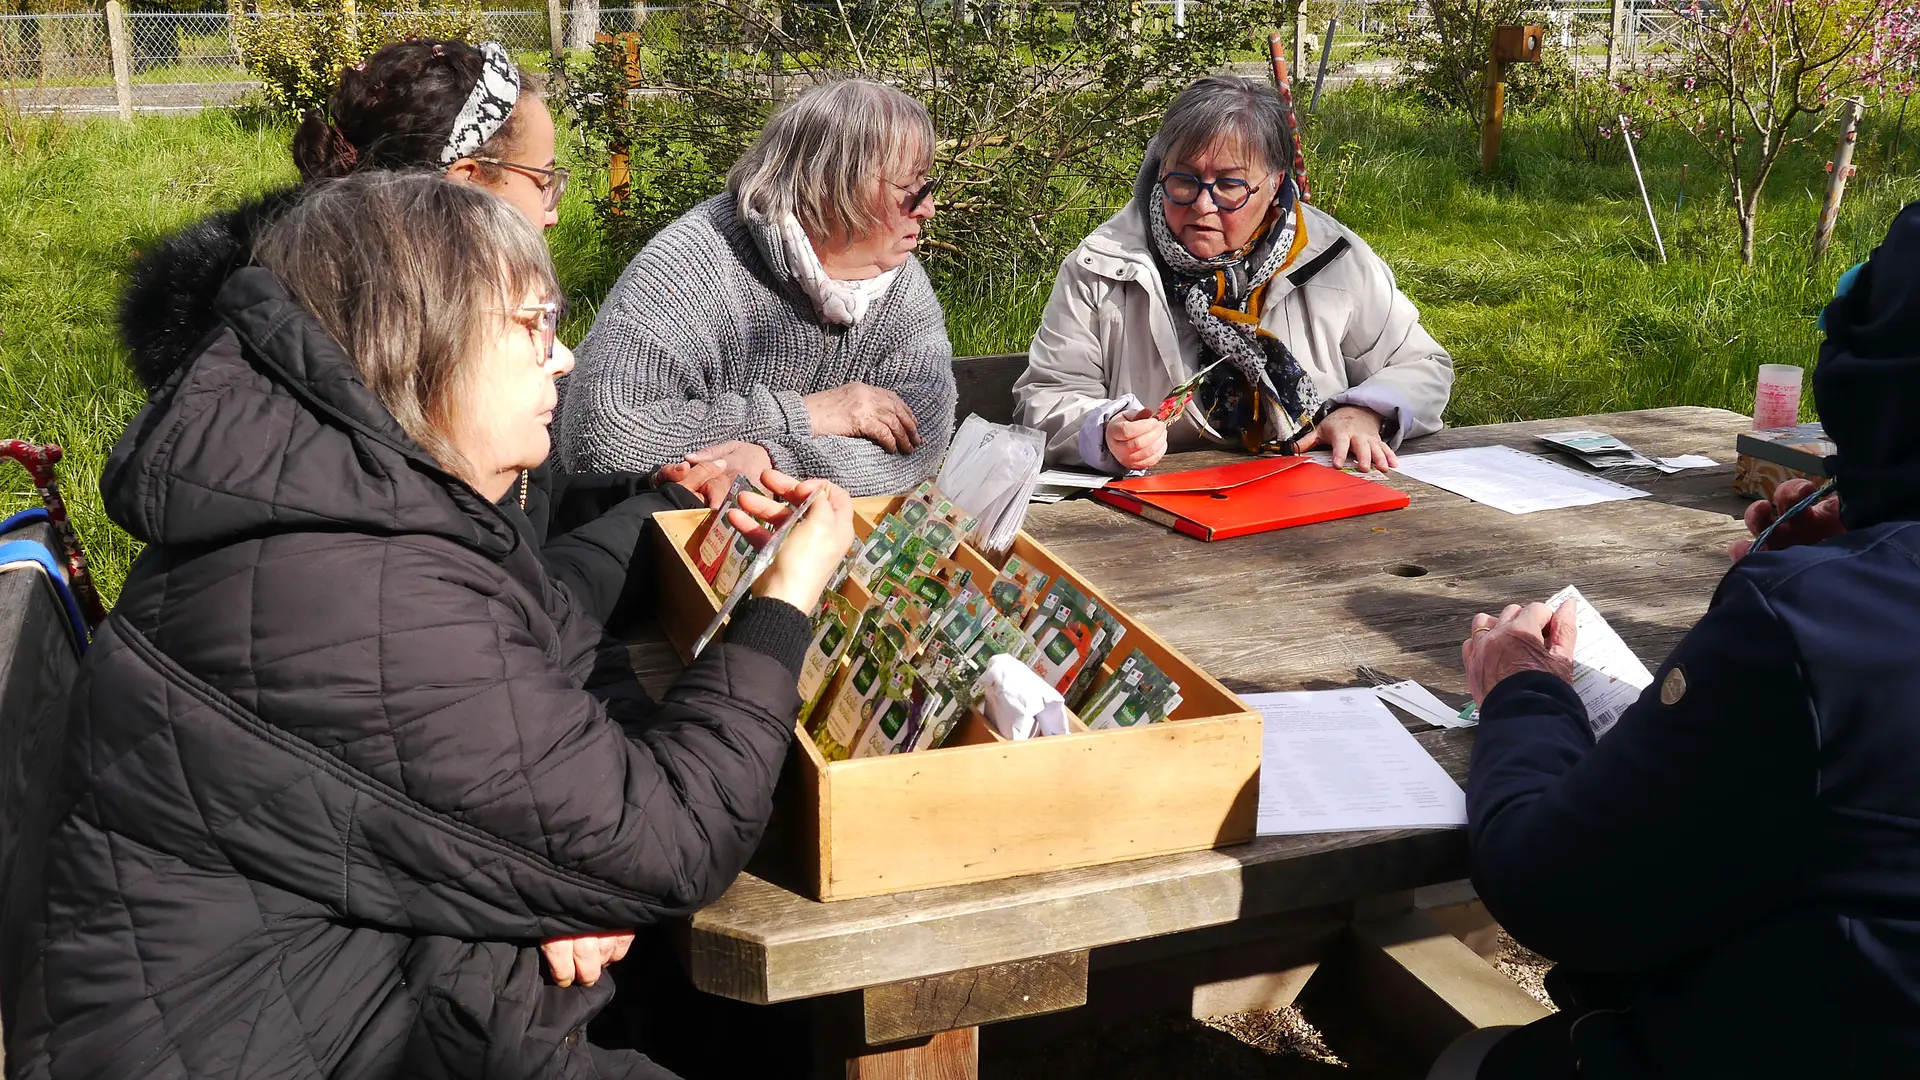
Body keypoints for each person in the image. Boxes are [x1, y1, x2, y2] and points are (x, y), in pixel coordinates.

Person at [9, 172, 855, 1078]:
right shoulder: (348, 587)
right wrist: (781, 603)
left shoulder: (342, 507)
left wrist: (551, 869)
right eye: (534, 324)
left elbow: (543, 627)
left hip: (353, 991)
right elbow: (675, 841)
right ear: (420, 344)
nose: (563, 357)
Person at [1446, 202, 1920, 1078]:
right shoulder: (1834, 607)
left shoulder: (1818, 631)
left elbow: (1554, 890)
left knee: (1473, 1062)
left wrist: (1521, 690)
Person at [118, 38, 727, 632]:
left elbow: (521, 508)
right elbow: (518, 610)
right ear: (466, 182)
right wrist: (665, 515)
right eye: (543, 180)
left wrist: (639, 489)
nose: (553, 210)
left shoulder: (402, 323)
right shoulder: (397, 364)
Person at [1014, 75, 1453, 475]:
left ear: (1275, 182)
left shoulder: (1331, 256)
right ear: (1159, 170)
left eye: (1229, 186)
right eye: (1183, 180)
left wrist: (1364, 411)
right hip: (1154, 513)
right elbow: (1046, 398)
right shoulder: (1103, 264)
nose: (1203, 206)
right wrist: (1105, 431)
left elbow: (1421, 365)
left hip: (1313, 494)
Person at [559, 78, 957, 498]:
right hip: (608, 538)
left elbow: (919, 442)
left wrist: (771, 464)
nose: (928, 208)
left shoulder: (900, 282)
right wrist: (807, 414)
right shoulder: (694, 261)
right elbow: (602, 438)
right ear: (839, 186)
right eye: (913, 190)